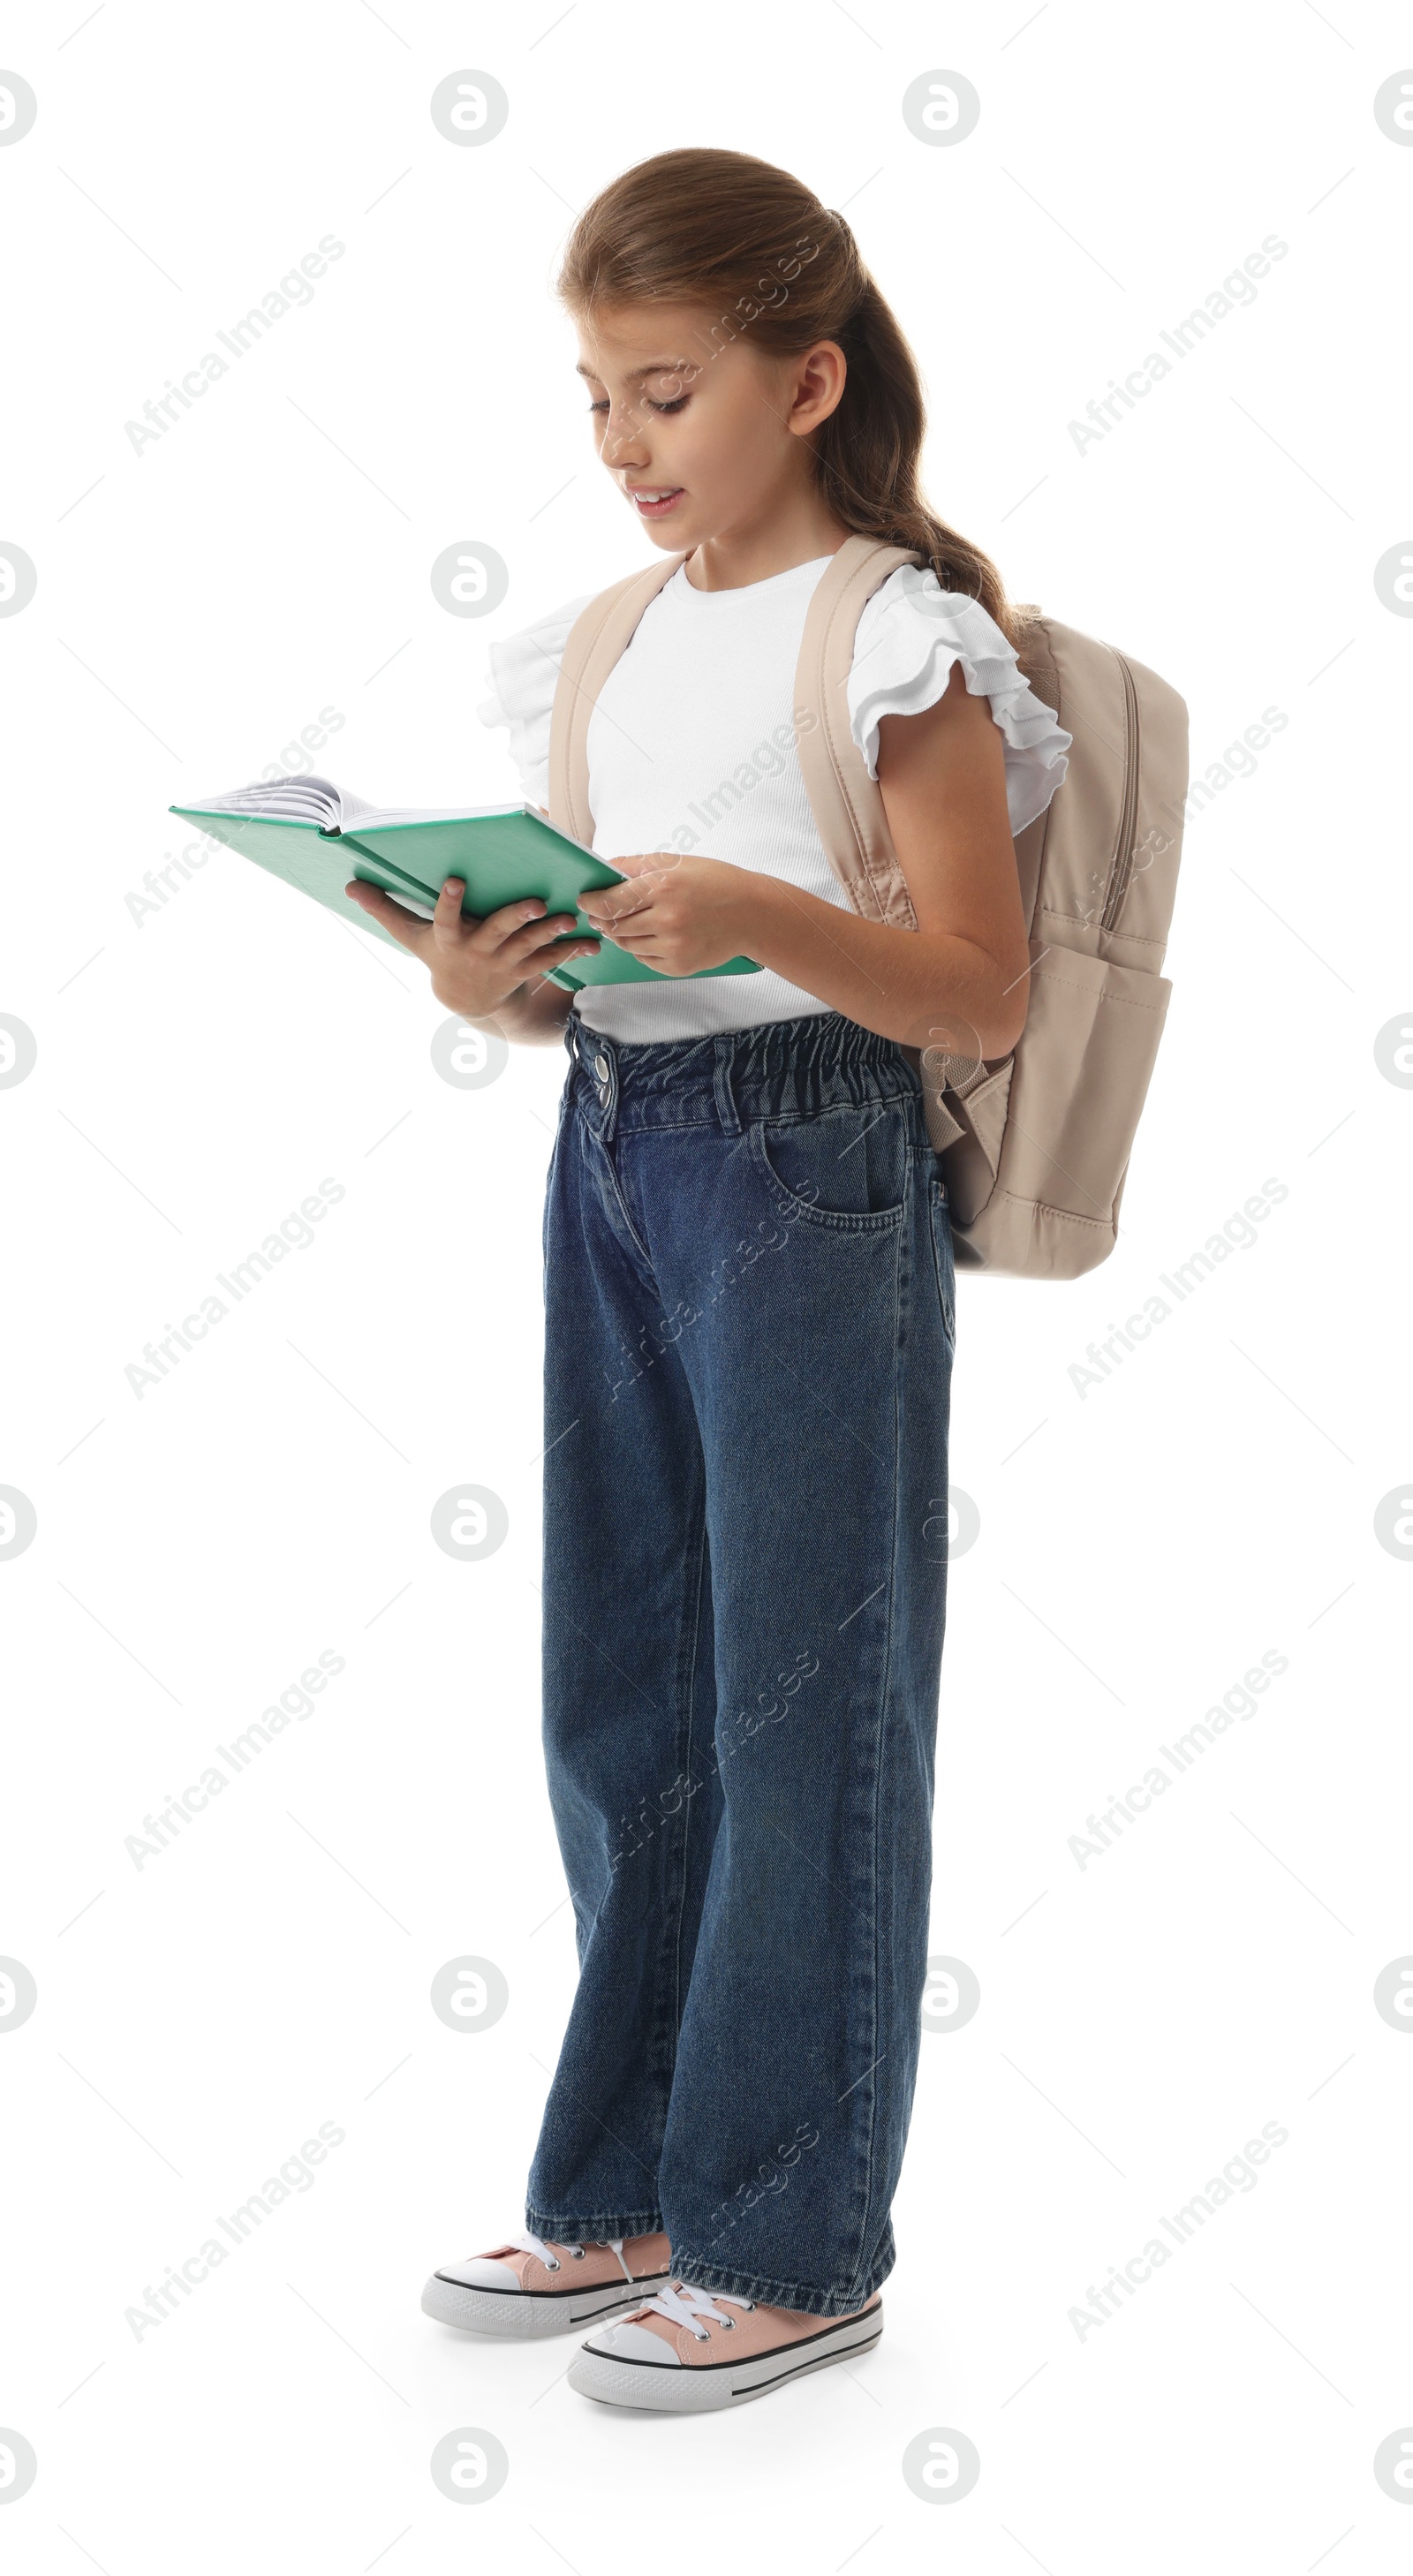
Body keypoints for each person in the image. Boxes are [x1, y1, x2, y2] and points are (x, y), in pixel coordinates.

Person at [347, 145, 1070, 2414]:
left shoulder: (890, 635)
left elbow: (978, 986)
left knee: (802, 1710)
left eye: (662, 391)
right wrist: (486, 984)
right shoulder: (607, 642)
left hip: (812, 1174)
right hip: (618, 1152)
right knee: (624, 1687)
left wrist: (754, 922)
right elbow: (594, 977)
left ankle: (788, 2234)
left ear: (803, 378)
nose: (622, 446)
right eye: (591, 399)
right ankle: (635, 2183)